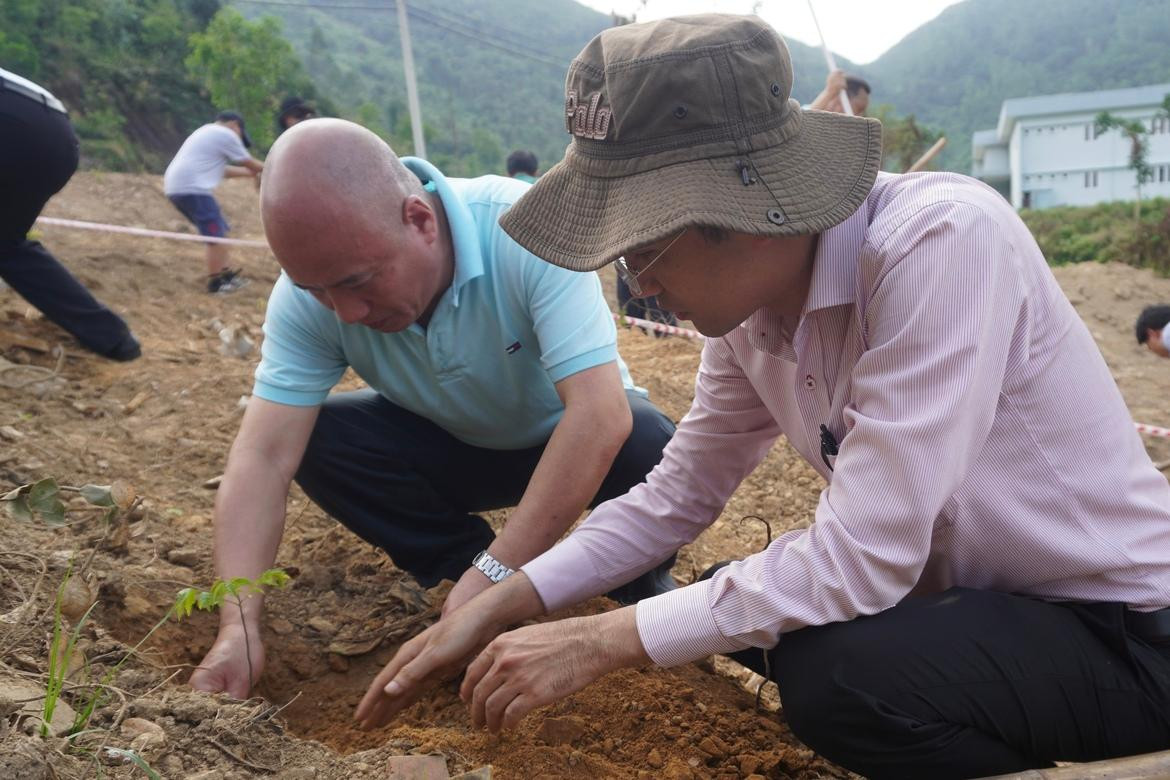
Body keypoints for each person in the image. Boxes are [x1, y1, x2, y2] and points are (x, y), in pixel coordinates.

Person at [355, 15, 1170, 780]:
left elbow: (865, 554)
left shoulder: (938, 245)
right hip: (980, 607)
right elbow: (677, 493)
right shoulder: (747, 316)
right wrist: (503, 594)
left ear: (738, 209)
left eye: (643, 250)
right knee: (754, 620)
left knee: (835, 678)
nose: (640, 287)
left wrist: (604, 638)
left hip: (1120, 628)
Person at [188, 118, 678, 700]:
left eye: (357, 282)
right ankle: (460, 575)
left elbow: (598, 417)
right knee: (317, 438)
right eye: (318, 291)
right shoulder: (311, 297)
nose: (343, 312)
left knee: (644, 437)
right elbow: (263, 456)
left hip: (572, 440)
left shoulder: (523, 228)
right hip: (453, 445)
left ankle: (626, 590)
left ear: (419, 219)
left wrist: (498, 575)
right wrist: (238, 624)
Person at [0, 67, 140, 361]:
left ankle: (113, 338)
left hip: (15, 127)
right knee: (7, 246)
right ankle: (114, 339)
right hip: (53, 129)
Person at [163, 111, 264, 293]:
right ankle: (215, 283)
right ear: (235, 125)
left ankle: (225, 275)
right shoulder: (225, 134)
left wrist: (252, 173)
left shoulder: (206, 133)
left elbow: (223, 170)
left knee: (219, 230)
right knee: (214, 236)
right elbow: (248, 162)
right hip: (192, 188)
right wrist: (272, 169)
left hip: (179, 187)